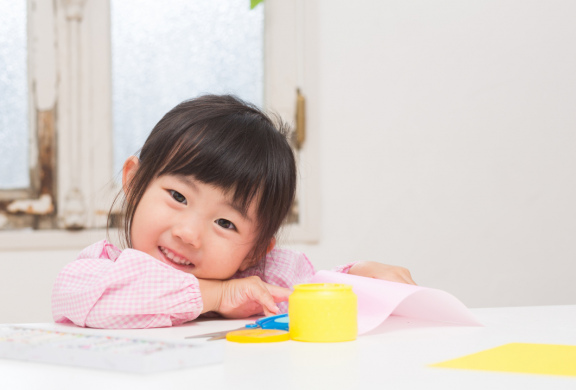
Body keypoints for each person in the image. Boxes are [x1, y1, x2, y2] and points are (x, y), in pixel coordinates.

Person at [51, 95, 415, 329]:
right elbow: (83, 298)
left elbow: (313, 295)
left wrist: (360, 276)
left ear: (257, 249)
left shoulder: (262, 277)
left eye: (225, 222)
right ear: (133, 181)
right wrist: (217, 296)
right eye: (178, 196)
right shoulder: (100, 271)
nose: (188, 233)